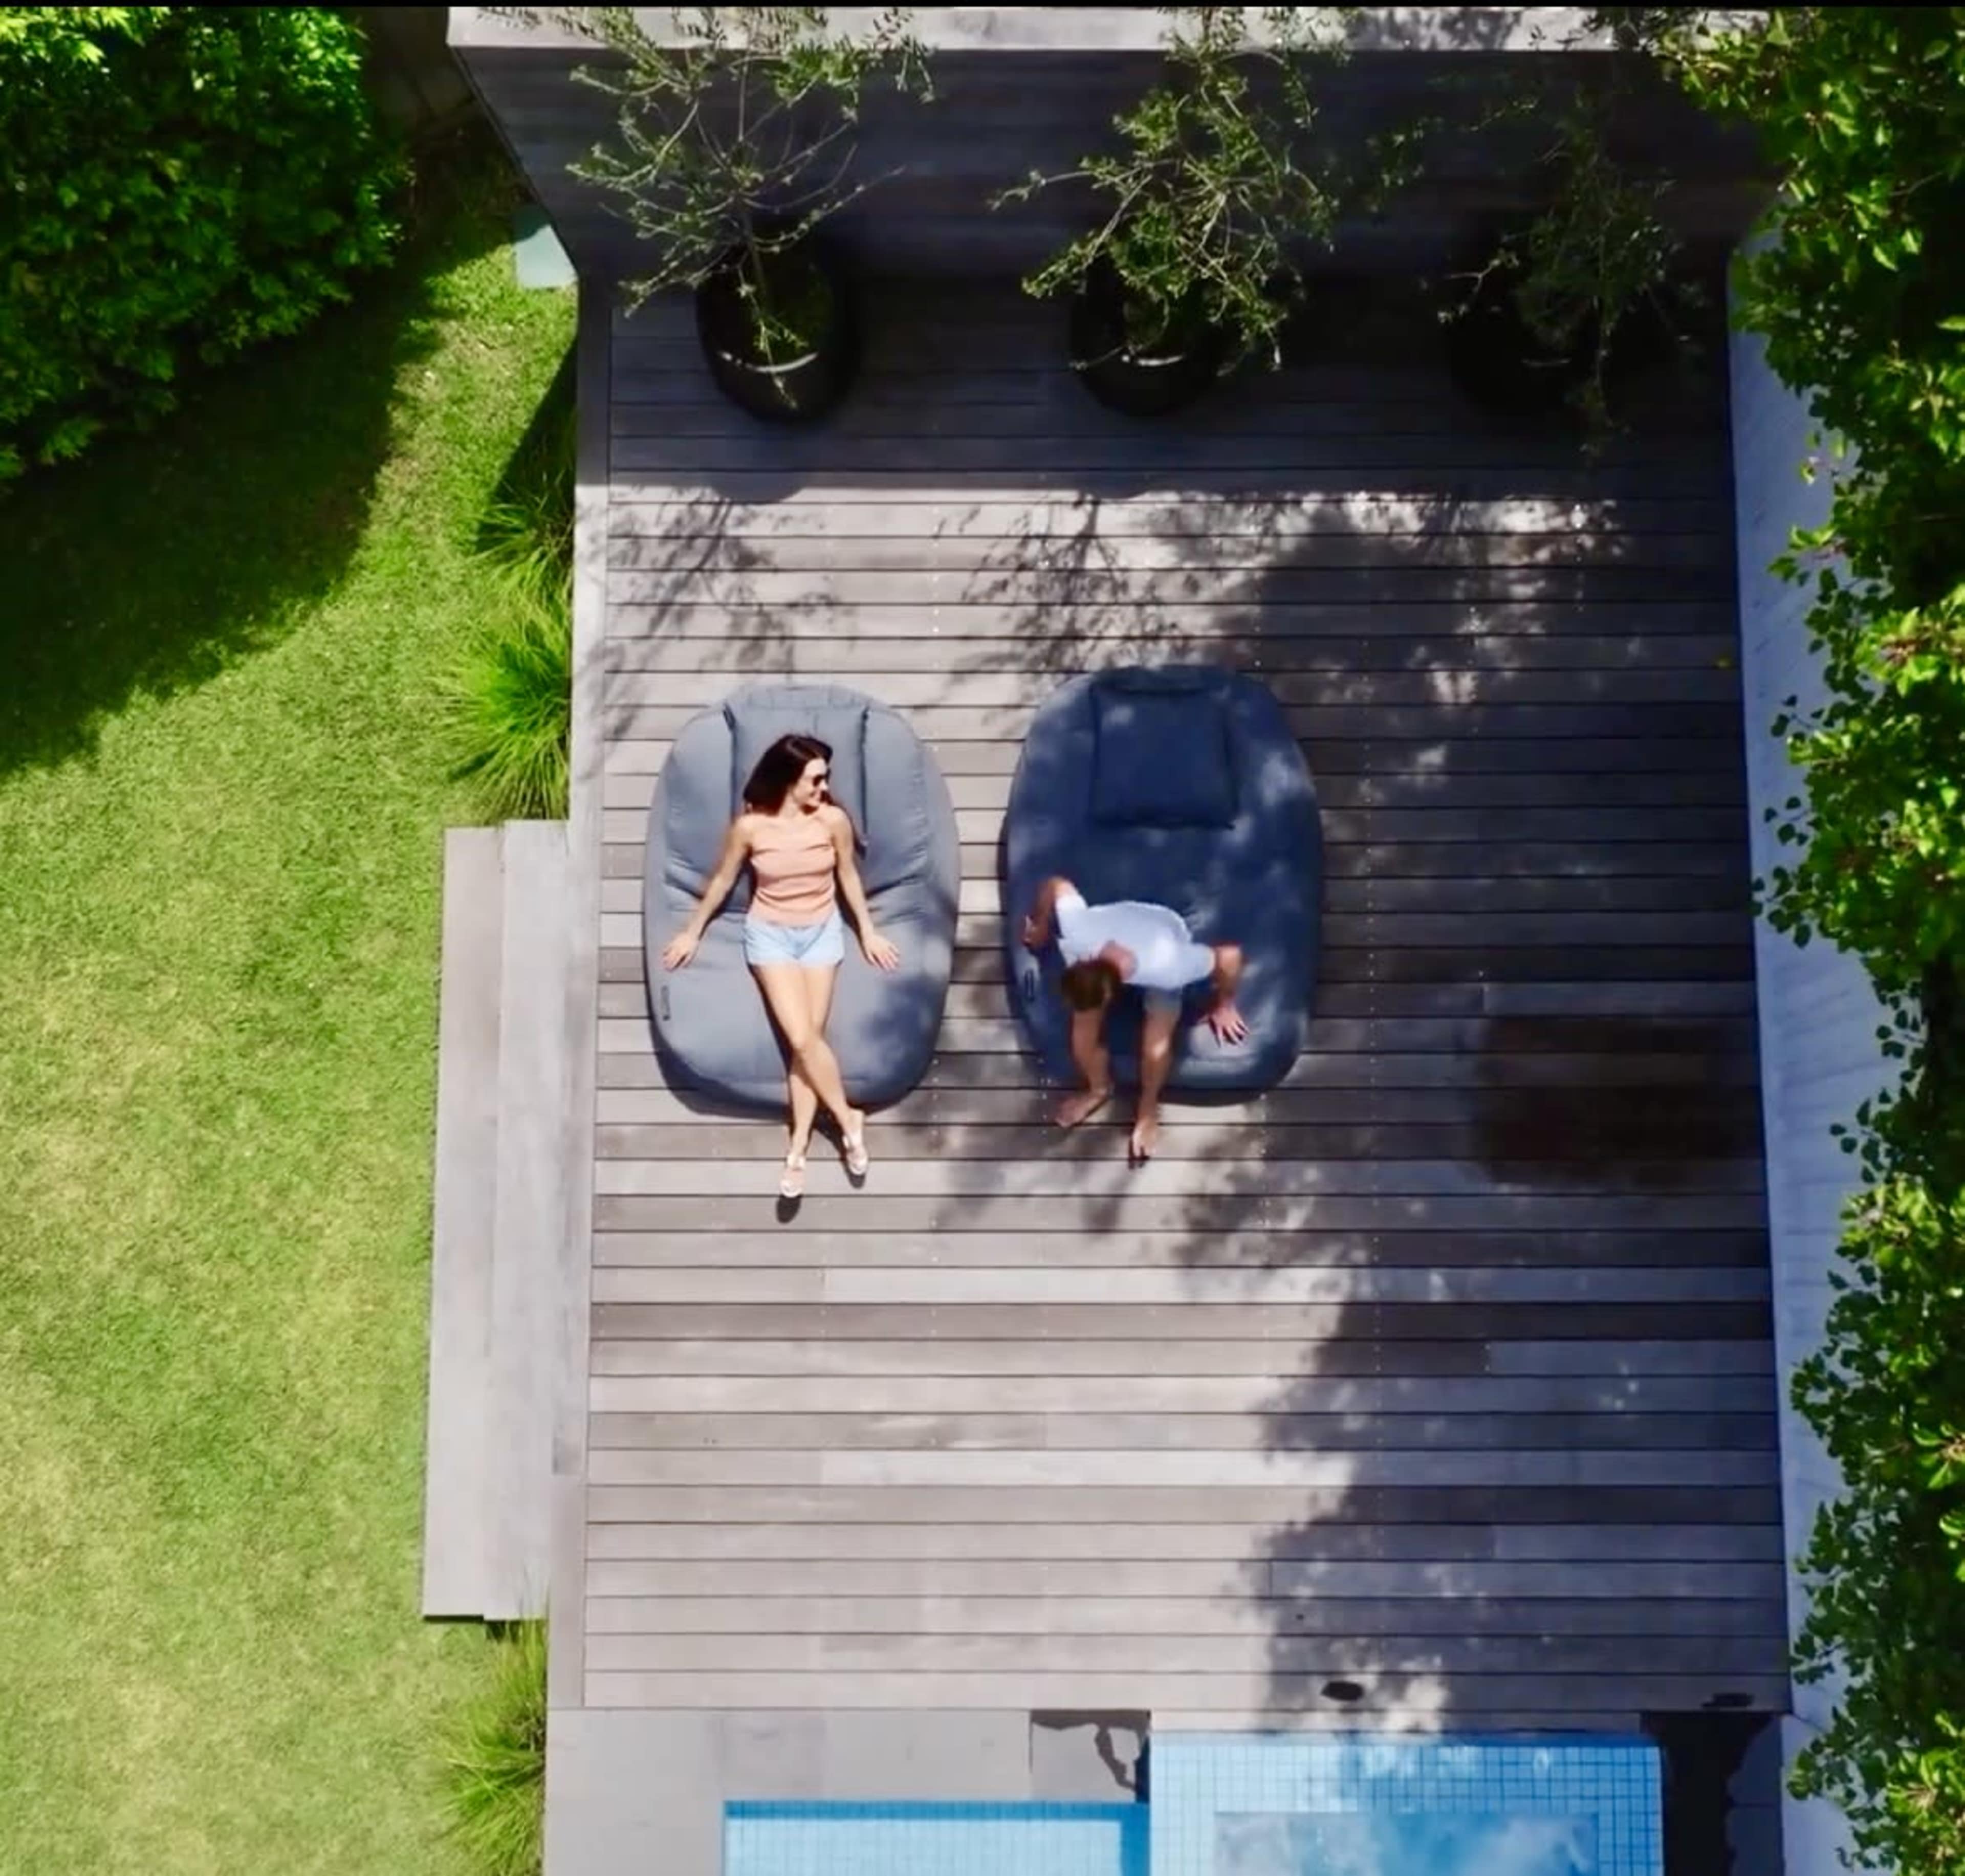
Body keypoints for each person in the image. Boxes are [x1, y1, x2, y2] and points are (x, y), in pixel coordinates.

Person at [661, 732, 899, 1198]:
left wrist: (868, 930)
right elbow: (724, 878)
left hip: (820, 934)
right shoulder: (751, 828)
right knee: (803, 1038)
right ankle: (848, 1119)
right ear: (789, 780)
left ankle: (797, 1149)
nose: (824, 788)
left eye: (826, 778)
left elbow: (848, 874)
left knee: (805, 1044)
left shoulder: (832, 821)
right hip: (771, 936)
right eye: (815, 779)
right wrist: (693, 930)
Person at [1020, 875, 1247, 1165]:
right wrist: (1041, 926)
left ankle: (1148, 1110)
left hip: (1164, 934)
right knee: (1082, 1036)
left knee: (1155, 1047)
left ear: (1113, 996)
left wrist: (1224, 1004)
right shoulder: (1078, 934)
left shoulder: (1170, 967)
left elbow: (1230, 957)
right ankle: (1098, 1089)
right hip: (1116, 936)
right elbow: (1057, 884)